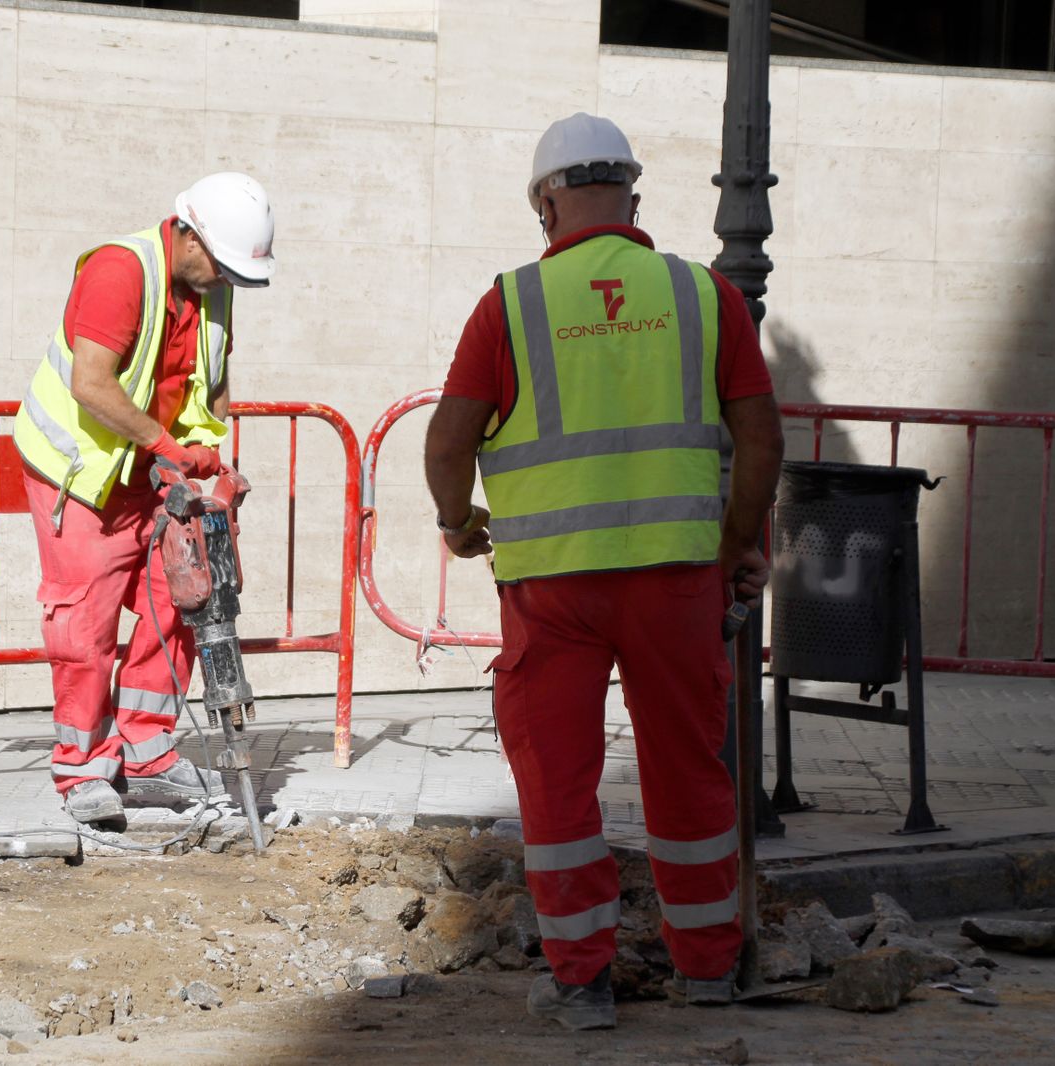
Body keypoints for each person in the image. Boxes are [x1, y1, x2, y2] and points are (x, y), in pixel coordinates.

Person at [423, 114, 784, 1030]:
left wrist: (458, 522)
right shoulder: (706, 296)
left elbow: (449, 439)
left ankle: (582, 980)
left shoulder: (511, 302)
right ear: (632, 196)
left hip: (553, 591)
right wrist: (741, 546)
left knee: (556, 777)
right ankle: (707, 969)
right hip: (675, 583)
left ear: (546, 202)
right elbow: (761, 439)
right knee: (686, 769)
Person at [13, 172, 276, 825]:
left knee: (183, 597)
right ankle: (83, 769)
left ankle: (149, 752)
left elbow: (211, 387)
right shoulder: (119, 272)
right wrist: (165, 445)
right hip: (80, 474)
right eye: (223, 265)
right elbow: (92, 384)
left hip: (149, 471)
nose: (227, 281)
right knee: (87, 625)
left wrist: (209, 459)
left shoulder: (212, 286)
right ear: (188, 232)